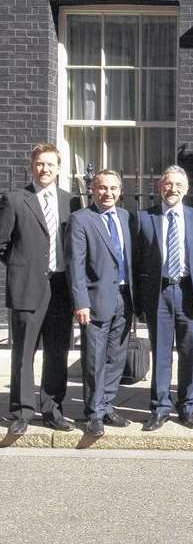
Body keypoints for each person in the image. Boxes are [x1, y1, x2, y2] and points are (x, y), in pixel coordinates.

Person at [0, 143, 80, 435]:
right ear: (31, 166)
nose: (45, 169)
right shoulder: (14, 199)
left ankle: (52, 409)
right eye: (39, 164)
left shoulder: (70, 201)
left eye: (50, 164)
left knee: (57, 352)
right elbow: (2, 244)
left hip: (60, 287)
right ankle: (21, 411)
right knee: (24, 352)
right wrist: (23, 267)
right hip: (27, 287)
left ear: (59, 168)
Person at [133, 165, 193, 431]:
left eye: (178, 185)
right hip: (160, 292)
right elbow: (138, 261)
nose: (173, 189)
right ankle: (159, 408)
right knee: (161, 353)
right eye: (168, 184)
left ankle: (188, 407)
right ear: (159, 187)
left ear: (187, 189)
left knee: (190, 353)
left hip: (189, 291)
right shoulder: (145, 218)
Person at [67, 170, 135, 436]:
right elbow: (76, 264)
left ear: (120, 191)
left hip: (123, 297)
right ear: (92, 190)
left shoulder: (125, 217)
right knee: (94, 359)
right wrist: (80, 302)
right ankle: (93, 413)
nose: (108, 193)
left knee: (116, 357)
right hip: (95, 300)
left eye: (113, 188)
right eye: (102, 188)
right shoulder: (81, 219)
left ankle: (107, 405)